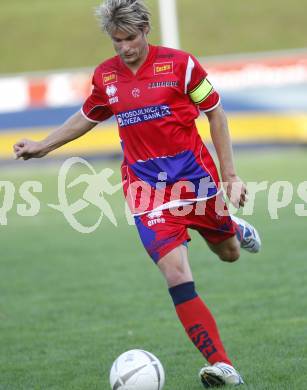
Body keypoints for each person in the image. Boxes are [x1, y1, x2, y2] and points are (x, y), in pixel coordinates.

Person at [14, 0, 261, 387]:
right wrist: (44, 145)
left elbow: (216, 112)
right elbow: (87, 116)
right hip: (145, 189)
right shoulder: (106, 76)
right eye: (116, 41)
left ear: (146, 30)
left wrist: (230, 174)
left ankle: (233, 228)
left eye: (130, 38)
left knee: (228, 253)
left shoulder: (181, 65)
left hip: (194, 179)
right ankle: (221, 363)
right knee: (176, 272)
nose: (124, 48)